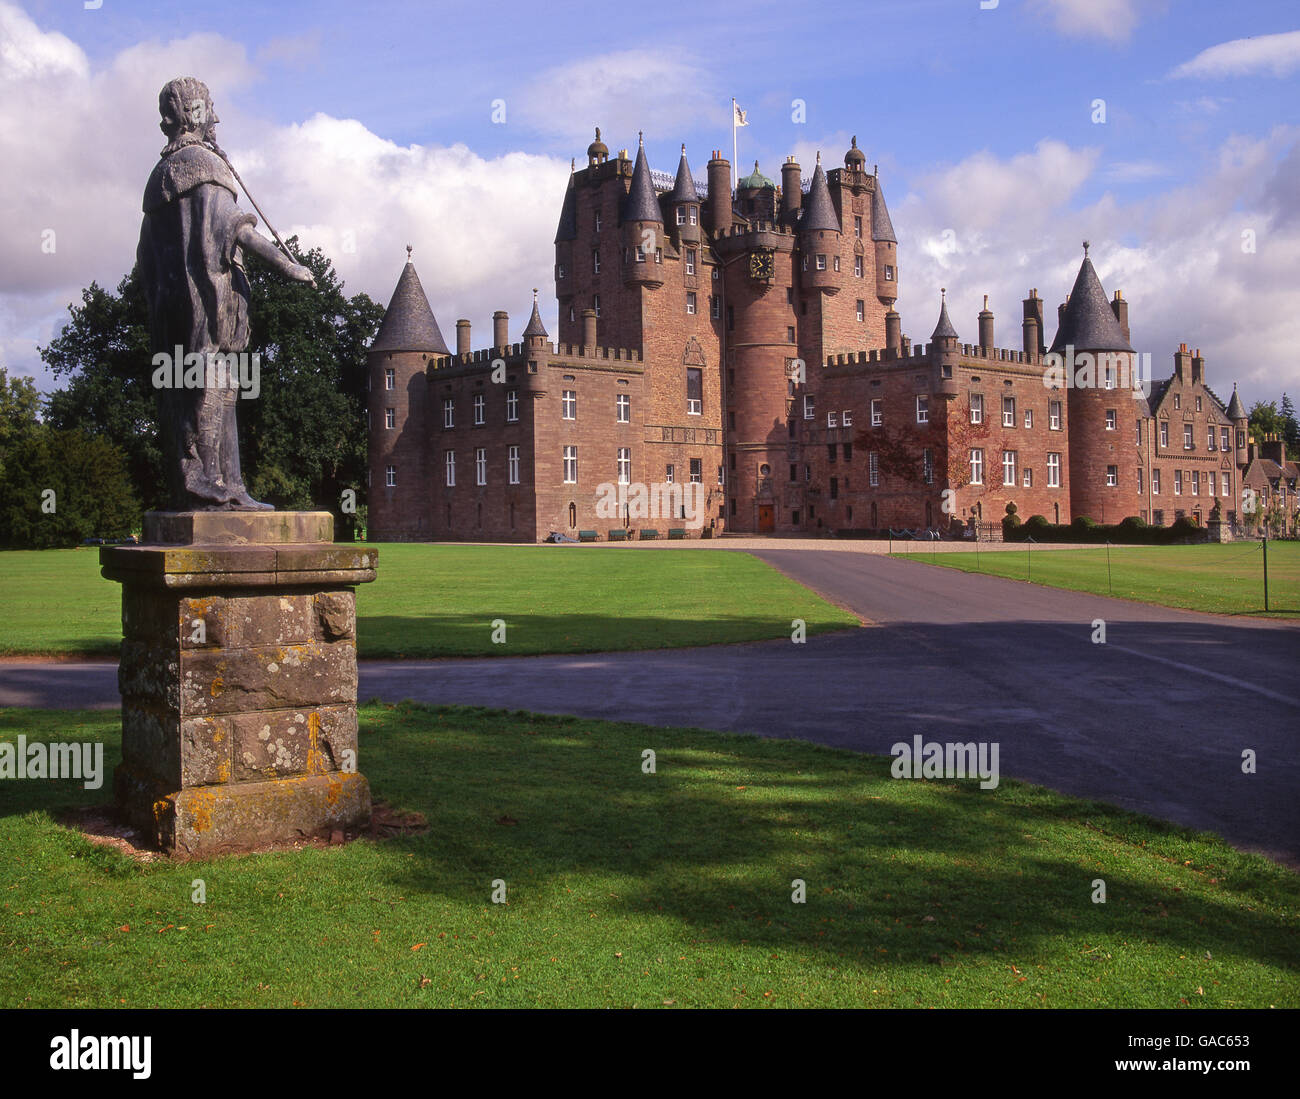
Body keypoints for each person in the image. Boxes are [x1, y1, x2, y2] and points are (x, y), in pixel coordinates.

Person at [137, 77, 315, 510]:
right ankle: (210, 483)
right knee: (212, 384)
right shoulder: (202, 164)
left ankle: (222, 483)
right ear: (194, 113)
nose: (216, 117)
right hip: (205, 303)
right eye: (209, 107)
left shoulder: (160, 177)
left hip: (174, 309)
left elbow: (144, 259)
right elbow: (234, 228)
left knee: (200, 385)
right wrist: (288, 265)